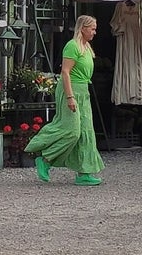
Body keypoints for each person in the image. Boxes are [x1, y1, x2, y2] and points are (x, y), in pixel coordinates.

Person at [29, 13, 106, 186]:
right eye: (92, 29)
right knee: (72, 130)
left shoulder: (86, 47)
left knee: (86, 132)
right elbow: (65, 72)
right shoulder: (72, 46)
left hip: (83, 91)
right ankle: (45, 159)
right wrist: (70, 97)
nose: (94, 32)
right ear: (83, 28)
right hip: (70, 91)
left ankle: (84, 173)